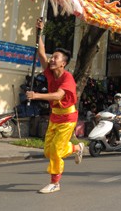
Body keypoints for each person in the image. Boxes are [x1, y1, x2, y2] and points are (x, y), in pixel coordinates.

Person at [25, 18, 84, 194]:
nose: (51, 59)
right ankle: (76, 148)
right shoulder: (50, 73)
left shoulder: (68, 78)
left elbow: (58, 95)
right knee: (48, 151)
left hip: (67, 118)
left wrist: (36, 95)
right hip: (55, 116)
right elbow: (41, 53)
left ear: (63, 63)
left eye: (55, 57)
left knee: (57, 151)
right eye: (53, 56)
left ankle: (55, 183)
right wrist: (39, 32)